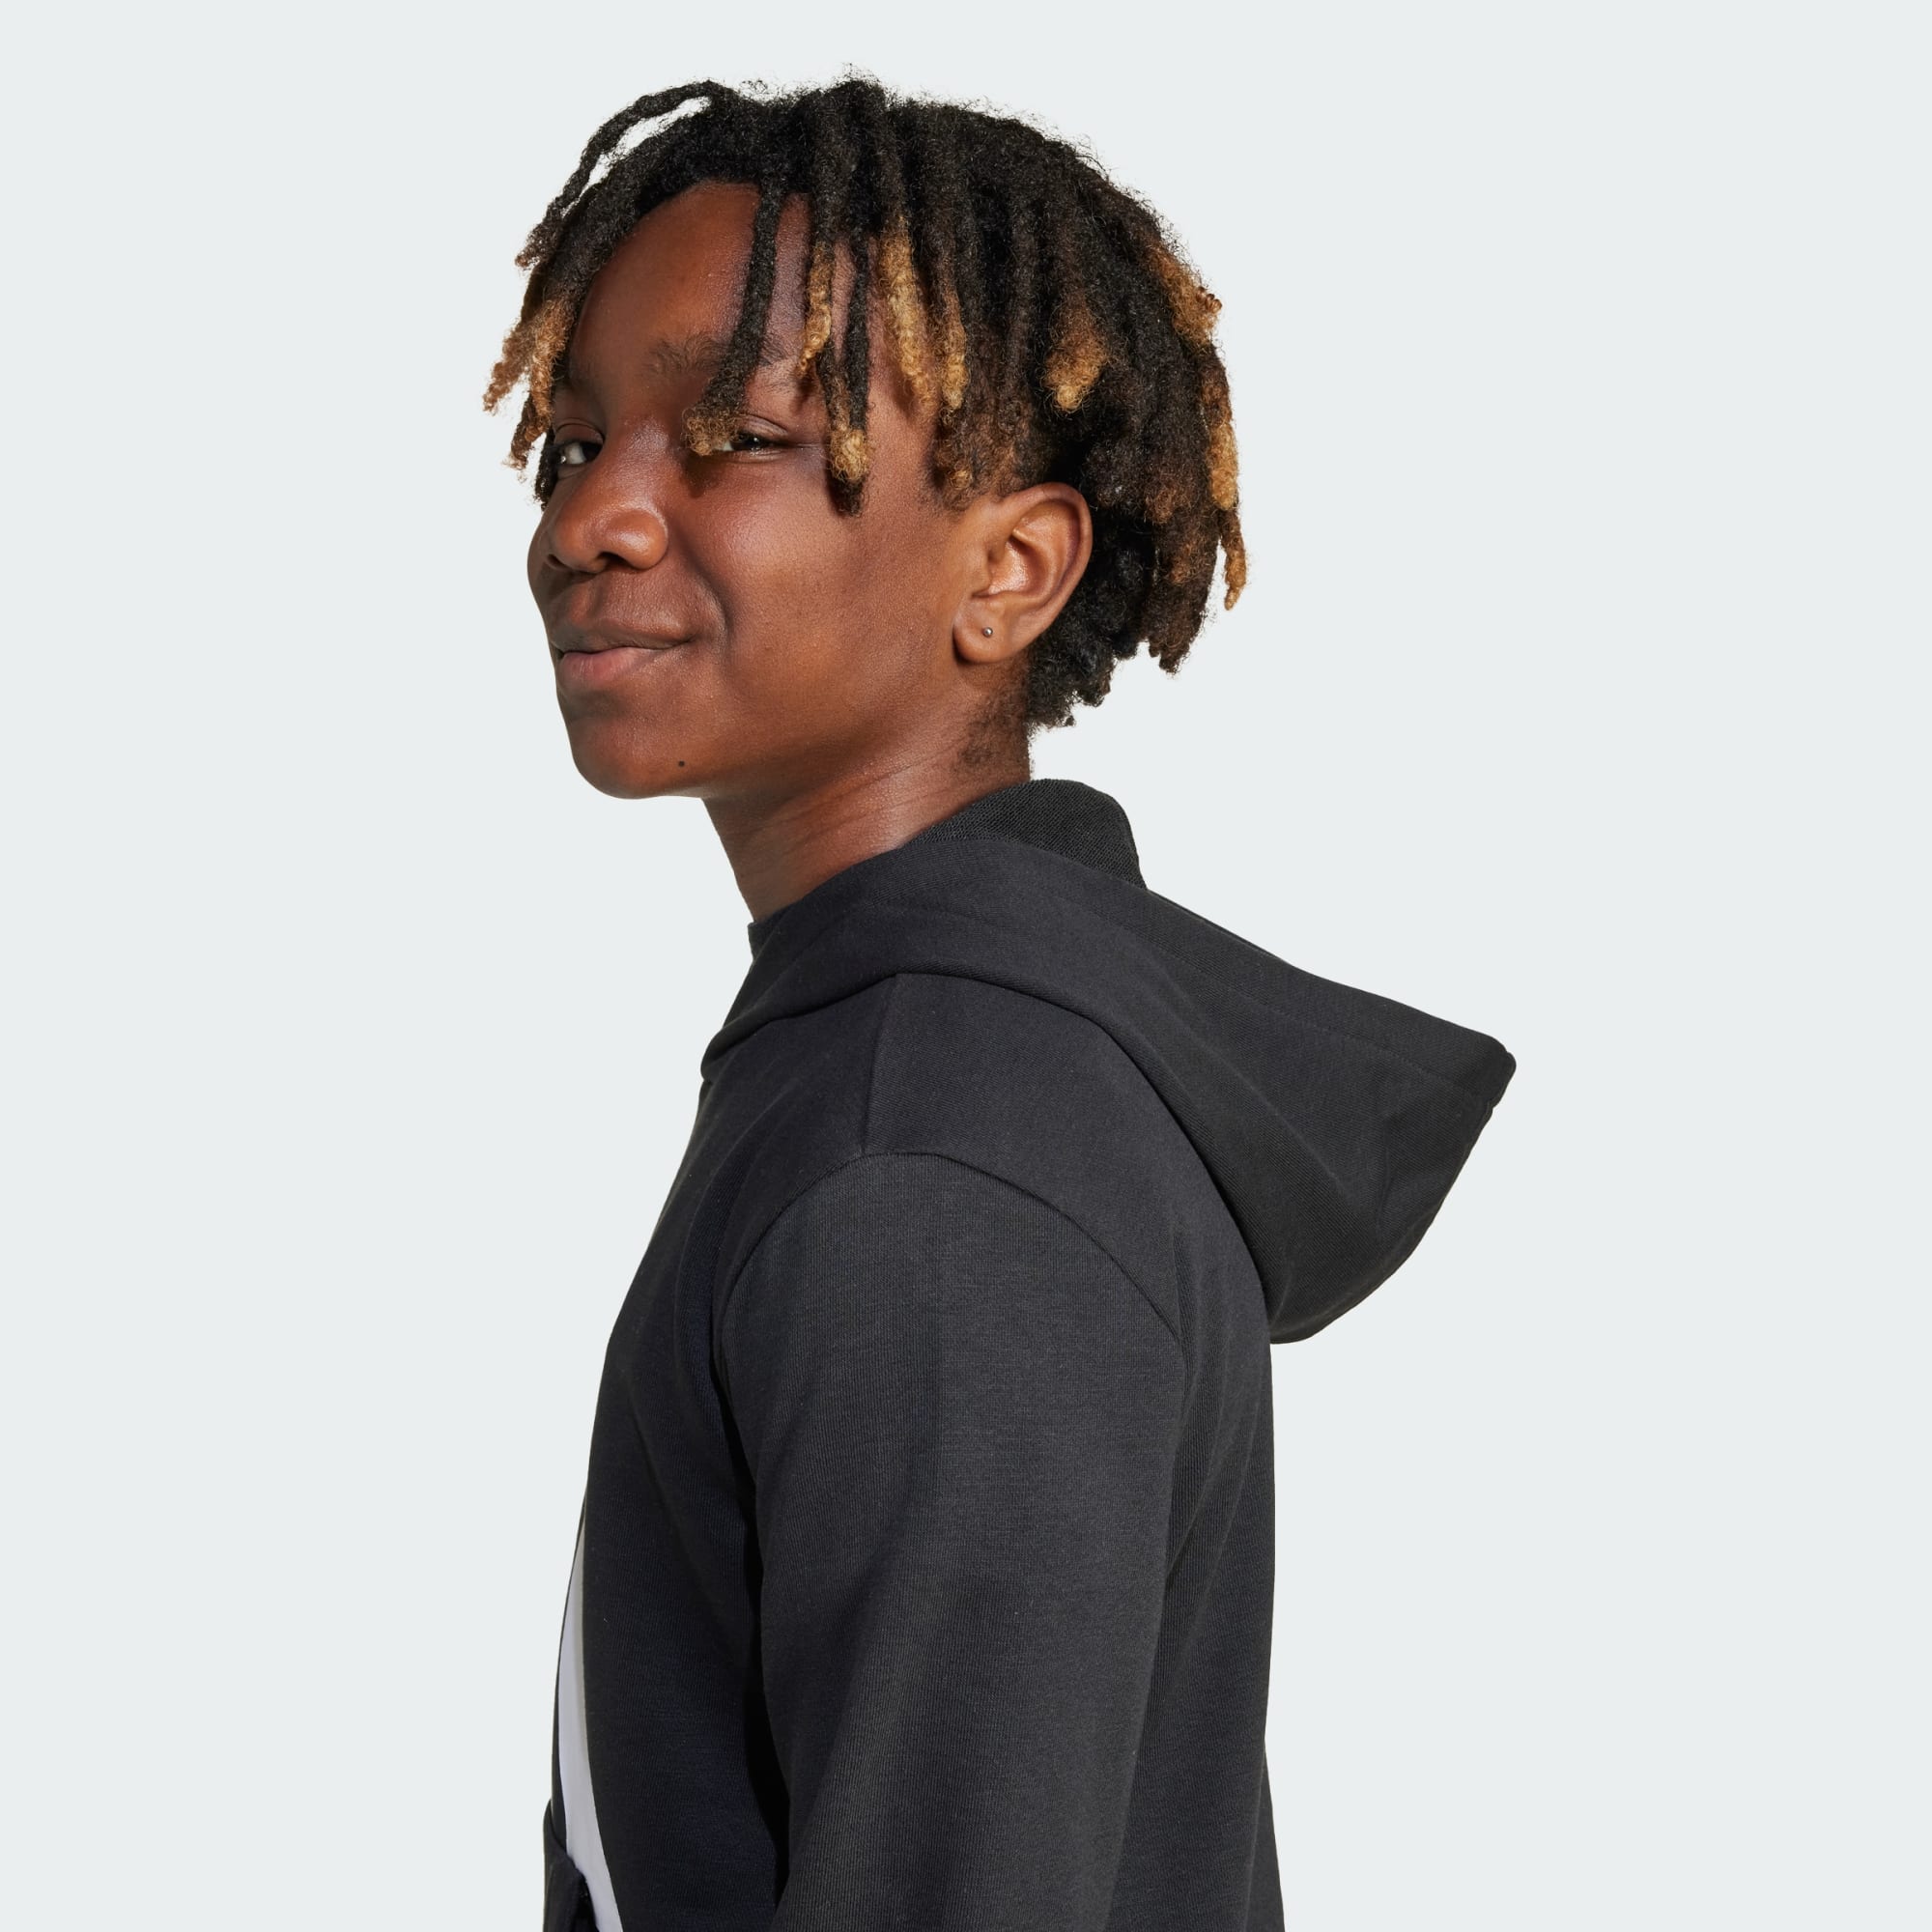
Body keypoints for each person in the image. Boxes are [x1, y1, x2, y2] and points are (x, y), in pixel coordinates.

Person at [483, 75, 1515, 1932]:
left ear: (1011, 570)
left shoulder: (935, 1163)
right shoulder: (898, 1073)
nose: (594, 520)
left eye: (733, 437)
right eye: (573, 445)